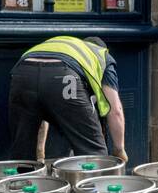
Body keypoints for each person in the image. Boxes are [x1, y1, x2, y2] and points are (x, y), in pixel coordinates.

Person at [7, 35, 127, 164]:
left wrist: (40, 156)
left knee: (22, 154)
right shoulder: (102, 56)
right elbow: (115, 110)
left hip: (22, 72)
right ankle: (92, 182)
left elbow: (41, 104)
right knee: (93, 154)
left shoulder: (67, 45)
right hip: (64, 75)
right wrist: (119, 149)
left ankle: (22, 181)